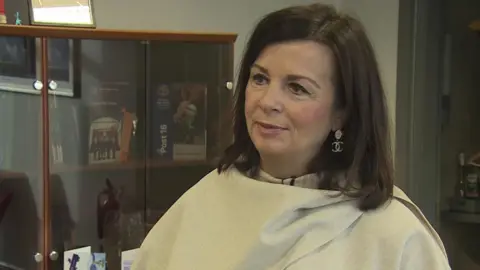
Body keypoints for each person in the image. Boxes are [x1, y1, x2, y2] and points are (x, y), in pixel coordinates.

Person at [132, 3, 451, 270]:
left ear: (343, 111)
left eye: (297, 88)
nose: (268, 101)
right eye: (260, 78)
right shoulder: (202, 203)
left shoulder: (392, 234)